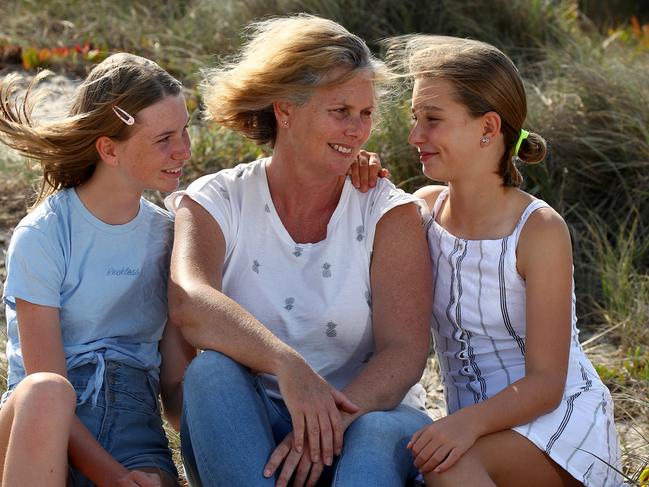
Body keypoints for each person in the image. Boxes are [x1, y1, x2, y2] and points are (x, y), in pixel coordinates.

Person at [165, 14, 433, 487]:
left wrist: (327, 421)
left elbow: (405, 350)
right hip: (254, 432)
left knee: (375, 434)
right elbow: (190, 300)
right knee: (210, 374)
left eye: (366, 114)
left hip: (362, 418)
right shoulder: (216, 199)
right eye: (340, 111)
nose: (356, 130)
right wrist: (288, 367)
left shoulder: (389, 212)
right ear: (285, 109)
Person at [355, 35, 621, 486]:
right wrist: (361, 184)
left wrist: (464, 424)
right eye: (415, 118)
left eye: (433, 119)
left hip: (558, 422)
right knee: (441, 463)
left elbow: (547, 382)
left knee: (445, 465)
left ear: (488, 127)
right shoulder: (422, 210)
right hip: (469, 434)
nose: (415, 135)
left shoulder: (539, 230)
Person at [0, 53, 196, 486]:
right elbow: (41, 378)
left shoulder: (170, 236)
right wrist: (113, 478)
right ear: (108, 148)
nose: (183, 149)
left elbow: (175, 393)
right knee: (47, 391)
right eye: (164, 138)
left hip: (134, 427)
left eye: (184, 129)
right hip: (42, 428)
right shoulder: (45, 234)